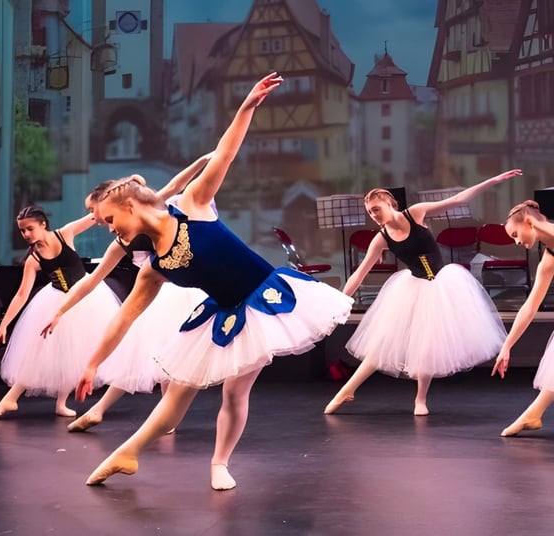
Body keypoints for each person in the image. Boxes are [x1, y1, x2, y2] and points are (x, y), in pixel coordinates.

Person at [73, 73, 353, 490]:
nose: (111, 230)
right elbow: (125, 317)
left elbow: (224, 153)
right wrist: (93, 363)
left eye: (110, 220)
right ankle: (128, 453)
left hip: (265, 300)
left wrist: (245, 107)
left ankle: (218, 463)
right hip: (222, 314)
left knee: (234, 394)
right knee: (178, 393)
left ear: (129, 205)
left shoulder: (194, 205)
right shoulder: (154, 266)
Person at [324, 170, 522, 417]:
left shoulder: (415, 213)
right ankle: (346, 390)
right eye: (370, 212)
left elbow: (457, 201)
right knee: (382, 344)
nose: (373, 215)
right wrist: (341, 299)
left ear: (389, 203)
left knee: (427, 347)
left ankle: (420, 399)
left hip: (443, 286)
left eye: (376, 209)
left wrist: (492, 180)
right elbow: (360, 273)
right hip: (413, 289)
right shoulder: (381, 238)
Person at [42, 161, 212, 433]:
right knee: (146, 353)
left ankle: (162, 419)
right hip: (155, 294)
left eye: (95, 211)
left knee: (165, 356)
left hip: (177, 290)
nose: (96, 219)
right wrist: (61, 310)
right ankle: (111, 411)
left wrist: (206, 162)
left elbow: (176, 184)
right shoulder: (121, 241)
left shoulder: (149, 208)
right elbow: (91, 281)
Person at [0, 206, 119, 420]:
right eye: (22, 231)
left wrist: (117, 198)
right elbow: (21, 295)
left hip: (85, 295)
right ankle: (10, 399)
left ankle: (61, 403)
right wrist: (4, 324)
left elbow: (94, 217)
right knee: (40, 350)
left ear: (43, 225)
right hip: (57, 299)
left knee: (73, 352)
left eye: (30, 228)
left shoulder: (65, 233)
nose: (26, 234)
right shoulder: (34, 259)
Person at [492, 200, 554, 436]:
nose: (517, 242)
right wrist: (506, 346)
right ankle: (533, 414)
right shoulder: (549, 258)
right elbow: (530, 307)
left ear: (529, 222)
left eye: (516, 234)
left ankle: (533, 414)